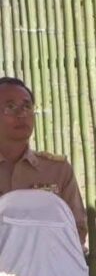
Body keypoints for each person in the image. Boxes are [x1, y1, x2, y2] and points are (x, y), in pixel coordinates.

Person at [0, 76, 87, 242]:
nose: (21, 114)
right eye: (10, 107)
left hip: (47, 258)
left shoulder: (57, 170)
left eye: (27, 106)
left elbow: (77, 229)